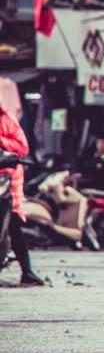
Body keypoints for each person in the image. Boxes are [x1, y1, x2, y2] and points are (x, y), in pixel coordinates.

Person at [0, 104, 45, 286]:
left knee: (12, 227)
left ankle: (28, 271)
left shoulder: (7, 121)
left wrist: (2, 141)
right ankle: (28, 272)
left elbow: (22, 147)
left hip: (7, 183)